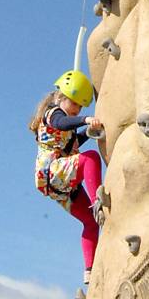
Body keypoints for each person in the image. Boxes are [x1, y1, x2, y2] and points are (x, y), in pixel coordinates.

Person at [30, 70, 103, 285]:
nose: (78, 110)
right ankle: (98, 199)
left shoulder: (65, 124)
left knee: (90, 222)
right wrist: (85, 119)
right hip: (53, 172)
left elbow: (70, 145)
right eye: (76, 104)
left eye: (81, 107)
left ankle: (90, 269)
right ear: (62, 98)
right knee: (90, 159)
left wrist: (87, 133)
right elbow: (62, 123)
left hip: (60, 185)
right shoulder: (52, 114)